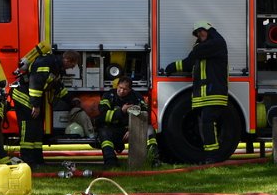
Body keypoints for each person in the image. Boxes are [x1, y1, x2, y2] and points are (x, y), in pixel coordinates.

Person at [163, 21, 229, 164]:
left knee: (208, 124)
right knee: (204, 125)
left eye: (202, 31)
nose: (200, 34)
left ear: (209, 30)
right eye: (197, 33)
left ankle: (213, 157)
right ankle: (209, 156)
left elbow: (195, 54)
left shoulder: (217, 43)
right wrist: (173, 67)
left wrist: (175, 64)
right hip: (204, 95)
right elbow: (189, 62)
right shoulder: (204, 47)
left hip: (213, 93)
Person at [10, 50, 81, 168]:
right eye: (73, 65)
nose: (72, 67)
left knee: (37, 130)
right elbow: (35, 83)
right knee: (29, 129)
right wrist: (36, 105)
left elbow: (57, 87)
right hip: (24, 96)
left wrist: (71, 100)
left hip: (33, 99)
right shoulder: (46, 63)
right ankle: (28, 162)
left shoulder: (56, 67)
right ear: (68, 60)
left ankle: (38, 161)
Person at [96, 77, 158, 168]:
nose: (121, 91)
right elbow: (103, 116)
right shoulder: (108, 96)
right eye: (120, 88)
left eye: (125, 89)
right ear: (117, 86)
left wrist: (132, 129)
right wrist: (121, 111)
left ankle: (154, 160)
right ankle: (111, 162)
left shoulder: (137, 97)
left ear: (130, 89)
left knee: (150, 130)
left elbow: (144, 116)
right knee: (103, 132)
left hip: (132, 129)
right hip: (114, 129)